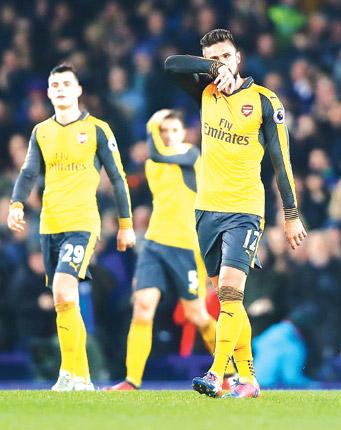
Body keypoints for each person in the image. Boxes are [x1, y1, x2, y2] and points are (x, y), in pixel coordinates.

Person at [164, 28, 306, 398]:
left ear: (238, 58)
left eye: (226, 57)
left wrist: (290, 213)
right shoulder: (206, 91)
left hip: (244, 210)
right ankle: (249, 380)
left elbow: (281, 161)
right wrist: (210, 71)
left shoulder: (263, 100)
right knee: (229, 301)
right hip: (206, 209)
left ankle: (216, 373)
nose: (222, 64)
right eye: (214, 58)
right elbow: (171, 65)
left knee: (229, 291)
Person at [7, 64, 135, 391]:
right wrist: (17, 204)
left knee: (64, 289)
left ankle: (68, 372)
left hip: (82, 222)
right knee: (66, 300)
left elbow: (119, 179)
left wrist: (125, 224)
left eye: (67, 83)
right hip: (49, 224)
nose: (61, 89)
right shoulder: (41, 131)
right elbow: (28, 172)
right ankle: (81, 377)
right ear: (49, 93)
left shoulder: (97, 129)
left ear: (78, 90)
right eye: (55, 85)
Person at [105, 109, 218, 390]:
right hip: (154, 244)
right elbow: (155, 155)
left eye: (174, 130)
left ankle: (227, 373)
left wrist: (151, 124)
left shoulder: (192, 156)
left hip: (186, 248)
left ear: (184, 133)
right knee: (142, 307)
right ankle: (132, 381)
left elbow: (157, 151)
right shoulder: (154, 163)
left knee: (197, 315)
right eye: (164, 131)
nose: (168, 135)